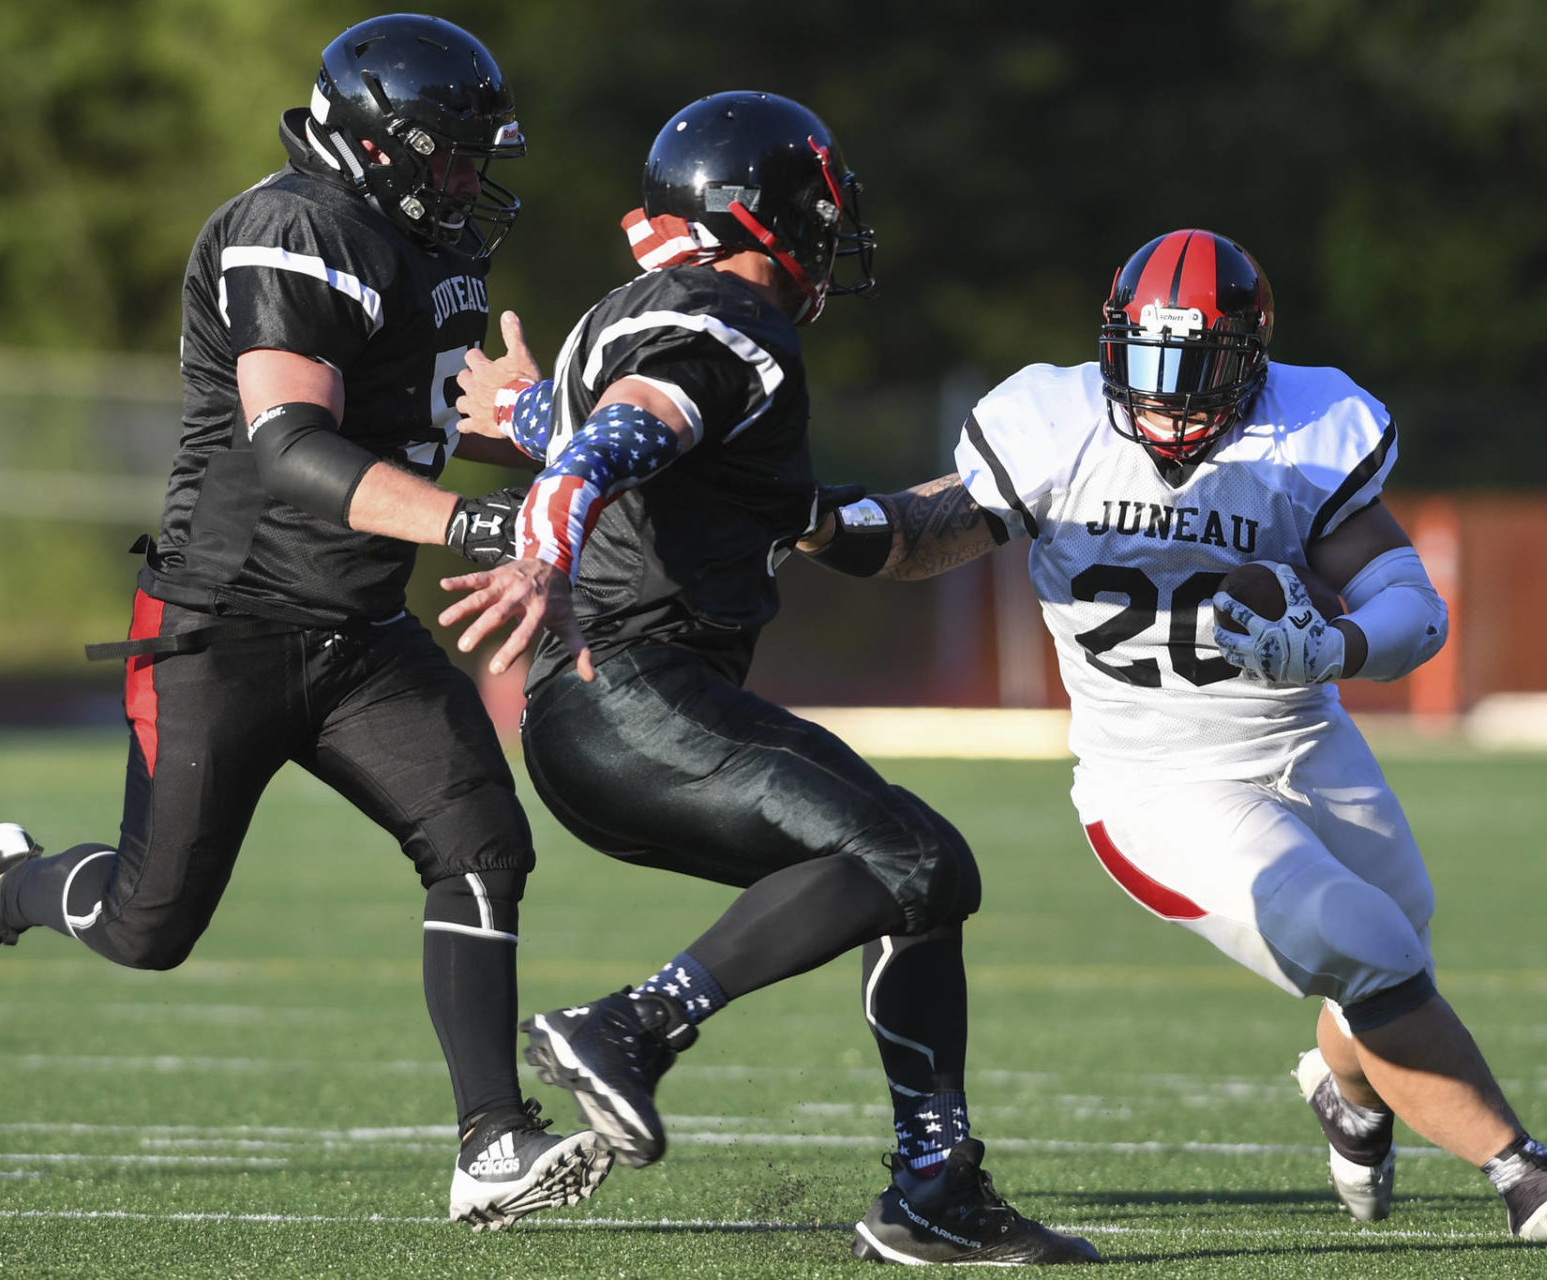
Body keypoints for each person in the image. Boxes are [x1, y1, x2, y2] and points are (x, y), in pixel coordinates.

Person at [0, 14, 610, 1232]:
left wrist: (544, 428)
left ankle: (492, 1140)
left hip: (358, 630)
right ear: (373, 143)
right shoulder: (290, 228)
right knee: (148, 923)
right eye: (445, 156)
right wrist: (485, 529)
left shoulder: (424, 246)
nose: (465, 180)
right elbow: (292, 444)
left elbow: (432, 417)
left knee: (481, 836)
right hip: (223, 621)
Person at [795, 228, 1547, 1244]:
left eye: (1197, 375)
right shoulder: (1055, 428)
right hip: (1158, 780)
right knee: (1358, 941)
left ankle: (1347, 1092)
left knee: (1397, 943)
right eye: (1144, 368)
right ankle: (1527, 1174)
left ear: (1253, 364)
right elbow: (923, 533)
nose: (1166, 401)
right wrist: (817, 520)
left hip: (1303, 737)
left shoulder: (1309, 430)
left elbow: (1411, 603)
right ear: (1110, 347)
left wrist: (1334, 645)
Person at [437, 91, 1099, 1266]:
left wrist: (536, 411)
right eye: (818, 212)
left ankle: (935, 1185)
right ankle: (632, 1027)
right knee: (922, 855)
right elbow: (628, 432)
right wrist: (547, 523)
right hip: (634, 695)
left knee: (907, 874)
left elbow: (639, 437)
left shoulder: (646, 311)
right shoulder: (734, 319)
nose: (829, 239)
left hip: (605, 716)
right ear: (764, 216)